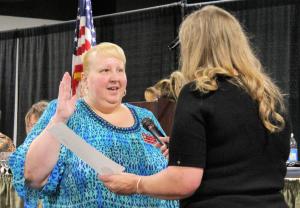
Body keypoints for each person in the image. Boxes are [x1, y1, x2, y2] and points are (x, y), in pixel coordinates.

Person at [99, 5, 291, 208]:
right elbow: (243, 157)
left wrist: (136, 183)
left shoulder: (198, 93)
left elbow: (184, 182)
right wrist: (190, 148)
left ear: (194, 47)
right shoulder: (269, 96)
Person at [9, 42, 178, 207]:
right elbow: (32, 176)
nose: (115, 78)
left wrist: (175, 155)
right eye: (105, 70)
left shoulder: (145, 118)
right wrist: (59, 119)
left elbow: (172, 175)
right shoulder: (65, 112)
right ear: (85, 79)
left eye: (120, 70)